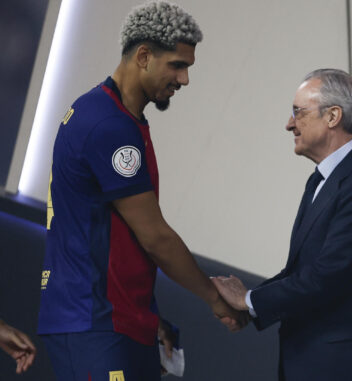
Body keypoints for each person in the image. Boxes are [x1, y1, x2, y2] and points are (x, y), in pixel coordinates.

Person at [37, 3, 243, 380]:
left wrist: (150, 319)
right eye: (177, 65)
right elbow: (155, 238)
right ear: (144, 56)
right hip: (93, 322)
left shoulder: (122, 119)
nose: (184, 80)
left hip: (118, 319)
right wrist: (216, 298)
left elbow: (122, 239)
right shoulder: (108, 125)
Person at [212, 69, 352, 380]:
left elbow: (327, 276)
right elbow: (302, 270)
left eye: (298, 112)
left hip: (341, 366)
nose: (289, 124)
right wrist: (249, 304)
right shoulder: (321, 181)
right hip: (310, 359)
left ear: (333, 116)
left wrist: (247, 300)